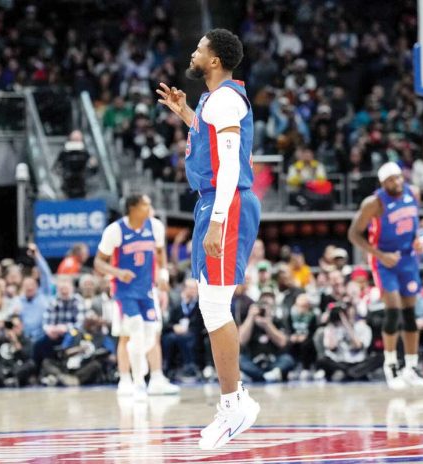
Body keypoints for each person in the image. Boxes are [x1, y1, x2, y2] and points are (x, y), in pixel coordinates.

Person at [156, 28, 261, 449]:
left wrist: (218, 219)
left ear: (214, 60)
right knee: (211, 303)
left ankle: (235, 404)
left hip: (226, 203)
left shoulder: (226, 99)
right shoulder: (213, 101)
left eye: (200, 48)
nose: (194, 52)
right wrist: (186, 115)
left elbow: (231, 163)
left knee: (216, 304)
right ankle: (235, 401)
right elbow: (213, 147)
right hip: (217, 201)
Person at [348, 161, 423, 390]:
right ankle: (390, 364)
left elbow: (412, 222)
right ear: (383, 183)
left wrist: (416, 239)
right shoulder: (374, 203)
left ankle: (411, 367)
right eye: (392, 180)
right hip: (385, 261)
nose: (397, 182)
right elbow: (353, 234)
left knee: (410, 314)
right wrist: (379, 254)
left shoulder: (413, 193)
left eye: (399, 178)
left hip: (408, 258)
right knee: (393, 312)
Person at [94, 194, 176, 399]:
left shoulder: (155, 227)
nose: (150, 208)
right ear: (132, 208)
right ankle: (128, 380)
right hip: (124, 292)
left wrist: (163, 276)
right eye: (145, 205)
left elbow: (160, 253)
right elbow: (98, 262)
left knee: (151, 334)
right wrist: (118, 272)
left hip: (147, 290)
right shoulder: (115, 231)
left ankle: (156, 378)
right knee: (130, 333)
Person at [0, 315, 36, 388]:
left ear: (21, 326)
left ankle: (9, 379)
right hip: (1, 369)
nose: (13, 329)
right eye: (11, 326)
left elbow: (26, 356)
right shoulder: (0, 339)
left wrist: (15, 341)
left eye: (15, 326)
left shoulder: (25, 340)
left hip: (16, 369)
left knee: (31, 364)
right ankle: (5, 380)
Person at [53, 130, 96, 198]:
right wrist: (63, 173)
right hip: (67, 185)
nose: (76, 141)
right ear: (70, 139)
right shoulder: (64, 153)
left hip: (82, 185)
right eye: (74, 139)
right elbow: (56, 167)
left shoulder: (85, 153)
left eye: (78, 139)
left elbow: (94, 168)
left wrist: (92, 165)